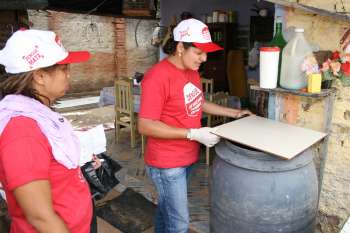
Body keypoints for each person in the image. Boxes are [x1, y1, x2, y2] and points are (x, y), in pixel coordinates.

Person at [138, 18, 253, 233]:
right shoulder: (157, 77)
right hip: (167, 164)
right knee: (180, 224)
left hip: (187, 157)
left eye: (206, 52)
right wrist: (192, 133)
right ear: (181, 47)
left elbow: (198, 101)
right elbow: (145, 125)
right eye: (199, 52)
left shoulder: (191, 72)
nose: (205, 58)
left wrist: (235, 113)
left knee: (166, 210)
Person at [0, 29, 93, 233]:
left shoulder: (39, 115)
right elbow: (40, 217)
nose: (69, 74)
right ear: (40, 76)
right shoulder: (22, 131)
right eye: (64, 69)